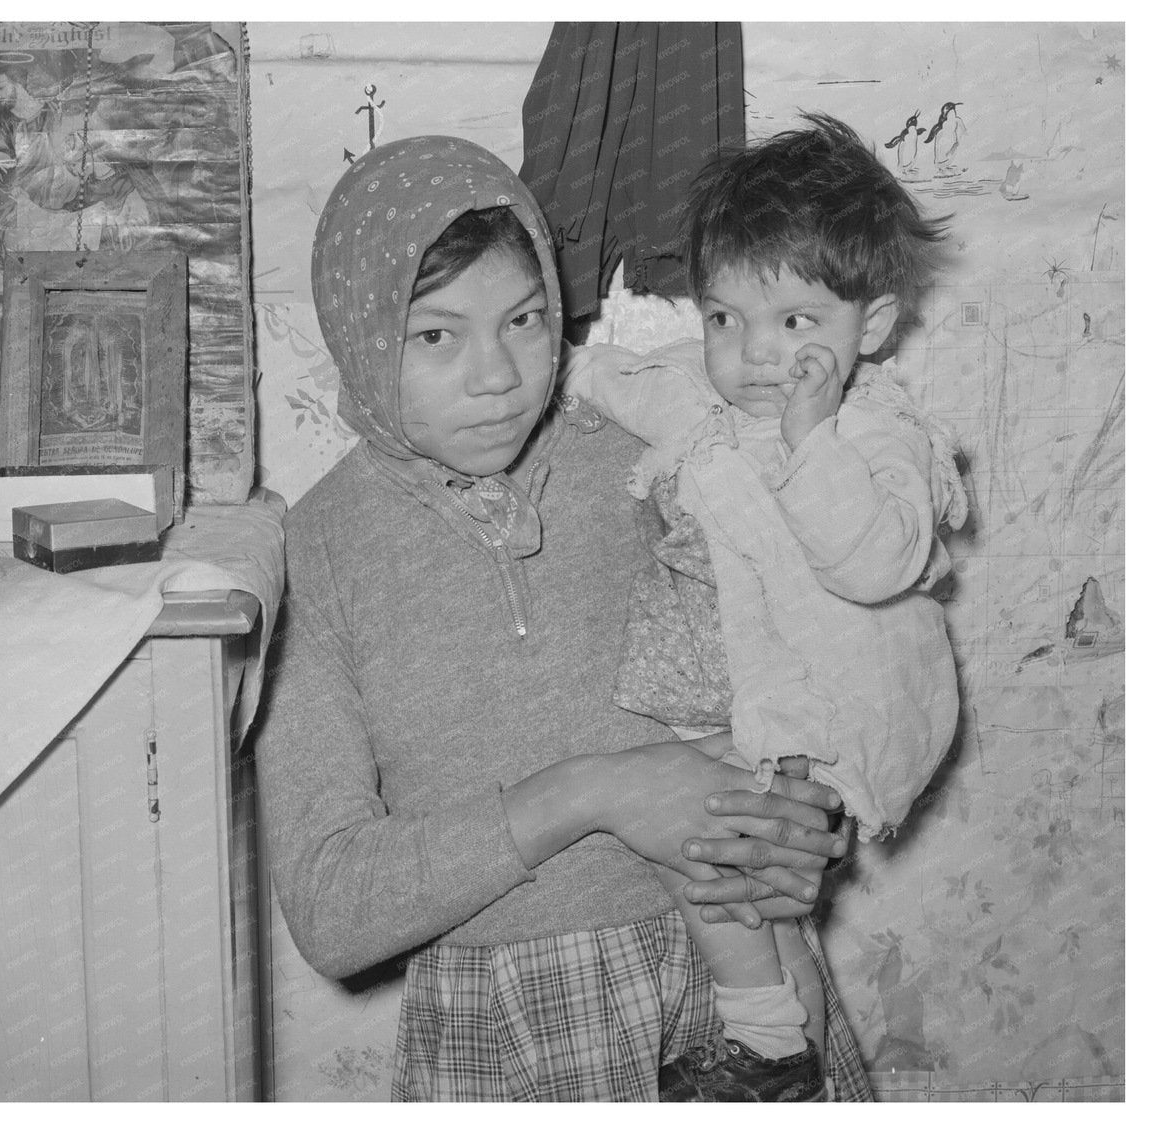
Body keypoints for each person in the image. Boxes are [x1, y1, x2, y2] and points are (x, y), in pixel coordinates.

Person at [257, 134, 872, 1102]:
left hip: (741, 991)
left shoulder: (653, 447)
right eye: (436, 334)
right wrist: (592, 790)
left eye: (526, 318)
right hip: (512, 1027)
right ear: (358, 329)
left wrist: (803, 826)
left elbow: (810, 659)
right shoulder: (310, 552)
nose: (497, 373)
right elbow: (334, 910)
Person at [561, 112, 965, 1100]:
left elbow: (877, 562)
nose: (749, 354)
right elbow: (627, 385)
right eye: (723, 317)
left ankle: (769, 1038)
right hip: (744, 709)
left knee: (726, 867)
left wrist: (812, 437)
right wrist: (557, 375)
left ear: (867, 326)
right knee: (735, 880)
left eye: (793, 324)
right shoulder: (712, 400)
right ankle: (790, 1042)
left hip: (831, 711)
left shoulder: (878, 432)